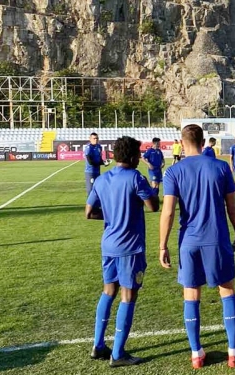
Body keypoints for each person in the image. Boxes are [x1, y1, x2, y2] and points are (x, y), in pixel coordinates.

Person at [159, 124, 235, 369]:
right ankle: (233, 351)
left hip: (189, 242)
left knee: (191, 294)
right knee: (226, 290)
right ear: (204, 141)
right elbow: (232, 207)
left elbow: (167, 213)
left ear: (181, 141)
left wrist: (162, 246)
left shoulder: (173, 171)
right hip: (217, 238)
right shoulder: (220, 167)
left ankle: (197, 353)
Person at [86, 136, 159, 367]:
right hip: (130, 247)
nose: (140, 157)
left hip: (108, 244)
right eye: (138, 154)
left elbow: (89, 212)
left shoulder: (101, 179)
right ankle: (117, 354)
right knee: (128, 296)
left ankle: (98, 345)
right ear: (130, 156)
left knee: (108, 291)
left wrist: (111, 217)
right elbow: (153, 206)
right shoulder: (136, 178)